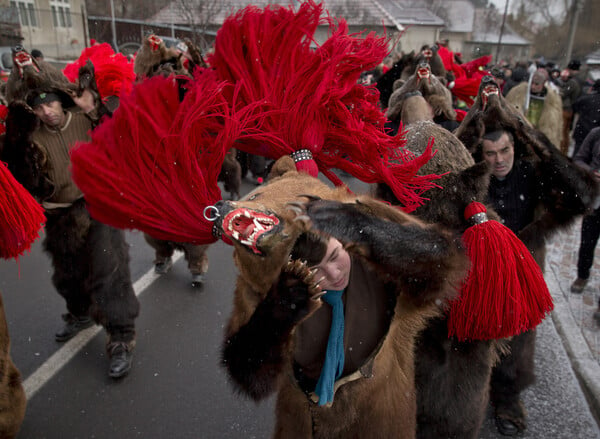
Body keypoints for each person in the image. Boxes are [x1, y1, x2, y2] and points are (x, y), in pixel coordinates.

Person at [2, 69, 140, 378]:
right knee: (67, 276)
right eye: (38, 108)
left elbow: (120, 136)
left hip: (97, 206)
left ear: (62, 102)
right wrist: (14, 134)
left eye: (50, 105)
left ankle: (121, 338)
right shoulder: (30, 136)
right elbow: (17, 172)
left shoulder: (84, 119)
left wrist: (94, 109)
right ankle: (80, 314)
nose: (46, 112)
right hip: (59, 215)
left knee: (109, 273)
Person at [478, 127, 592, 435]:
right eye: (490, 153)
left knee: (517, 335)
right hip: (483, 267)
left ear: (515, 148)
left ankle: (507, 398)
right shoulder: (475, 176)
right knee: (479, 331)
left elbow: (582, 194)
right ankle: (474, 391)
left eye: (504, 151)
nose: (499, 160)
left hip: (522, 267)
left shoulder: (531, 174)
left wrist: (541, 143)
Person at [570, 128, 600, 302]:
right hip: (595, 201)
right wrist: (591, 173)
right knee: (587, 241)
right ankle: (582, 275)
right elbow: (579, 159)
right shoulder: (596, 133)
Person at [505, 68, 563, 149]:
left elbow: (554, 124)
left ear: (543, 84)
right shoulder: (518, 92)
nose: (533, 86)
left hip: (538, 133)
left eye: (537, 84)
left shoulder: (552, 99)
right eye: (532, 83)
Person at [559, 59, 583, 154]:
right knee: (566, 132)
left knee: (563, 132)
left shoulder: (572, 82)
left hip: (567, 109)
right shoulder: (580, 79)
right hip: (572, 109)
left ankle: (562, 151)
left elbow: (563, 93)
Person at [571, 79, 600, 157]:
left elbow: (574, 107)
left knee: (577, 155)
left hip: (581, 130)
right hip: (596, 136)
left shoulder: (586, 98)